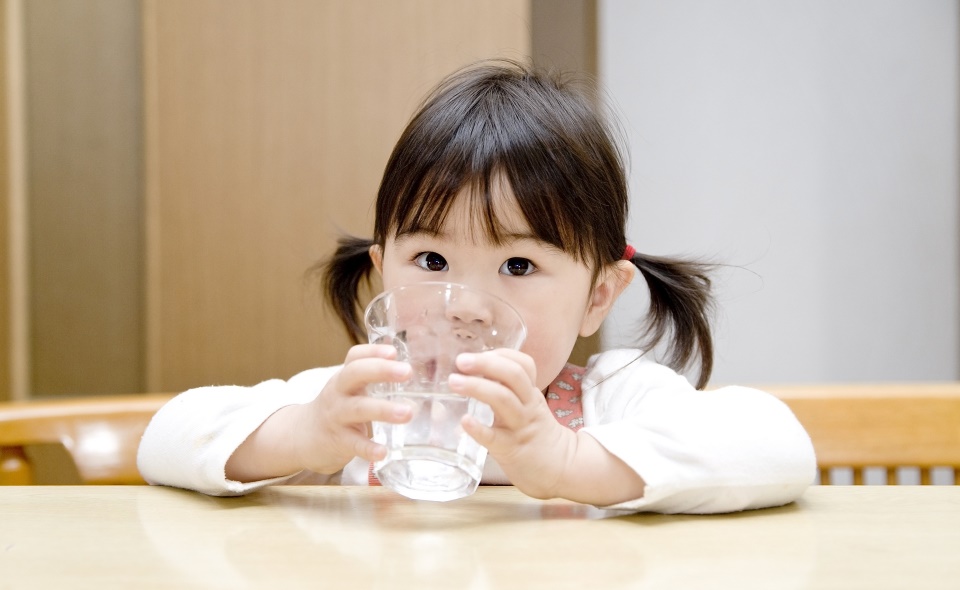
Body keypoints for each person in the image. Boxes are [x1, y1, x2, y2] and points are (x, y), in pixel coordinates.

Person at [137, 59, 815, 513]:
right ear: (382, 271)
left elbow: (779, 449)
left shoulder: (611, 400)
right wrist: (308, 433)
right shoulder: (367, 406)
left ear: (598, 297)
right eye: (431, 261)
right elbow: (166, 437)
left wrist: (567, 461)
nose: (463, 310)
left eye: (518, 267)